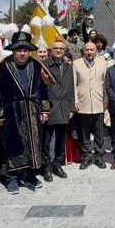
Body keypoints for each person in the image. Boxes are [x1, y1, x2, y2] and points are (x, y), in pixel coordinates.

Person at [0, 31, 50, 194]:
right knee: (13, 144)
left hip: (33, 110)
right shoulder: (4, 66)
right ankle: (12, 177)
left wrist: (45, 109)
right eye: (19, 50)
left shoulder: (36, 65)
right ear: (13, 51)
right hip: (12, 111)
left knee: (34, 143)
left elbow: (43, 88)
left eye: (25, 50)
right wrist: (0, 115)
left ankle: (30, 174)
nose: (22, 53)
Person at [42, 40, 75, 181]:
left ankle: (57, 163)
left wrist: (72, 107)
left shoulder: (68, 66)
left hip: (64, 107)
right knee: (47, 139)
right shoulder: (44, 65)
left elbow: (71, 88)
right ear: (51, 50)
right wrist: (44, 110)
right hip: (50, 108)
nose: (58, 50)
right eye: (55, 48)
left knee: (61, 138)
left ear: (65, 50)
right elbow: (41, 90)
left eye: (61, 48)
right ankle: (46, 166)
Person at [73, 41, 108, 169]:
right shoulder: (76, 64)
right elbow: (74, 84)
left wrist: (106, 101)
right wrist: (75, 101)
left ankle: (99, 156)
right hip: (83, 103)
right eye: (87, 50)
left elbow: (106, 84)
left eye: (91, 50)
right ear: (83, 51)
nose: (89, 52)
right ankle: (86, 156)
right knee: (84, 132)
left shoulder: (103, 64)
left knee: (99, 132)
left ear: (96, 51)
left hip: (98, 102)